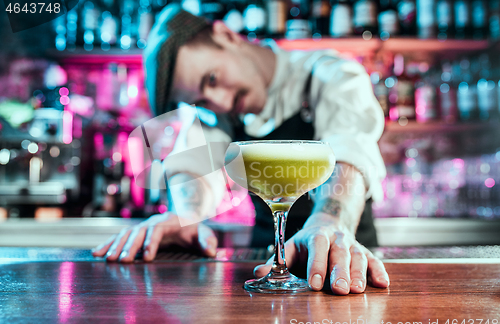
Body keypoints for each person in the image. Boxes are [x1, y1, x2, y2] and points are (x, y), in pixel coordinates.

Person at [92, 4, 390, 295]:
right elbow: (194, 167)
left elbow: (349, 152)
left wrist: (330, 220)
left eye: (211, 78)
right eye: (203, 101)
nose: (219, 102)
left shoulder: (330, 75)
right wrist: (183, 215)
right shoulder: (220, 113)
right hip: (263, 271)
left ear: (226, 35)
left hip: (345, 266)